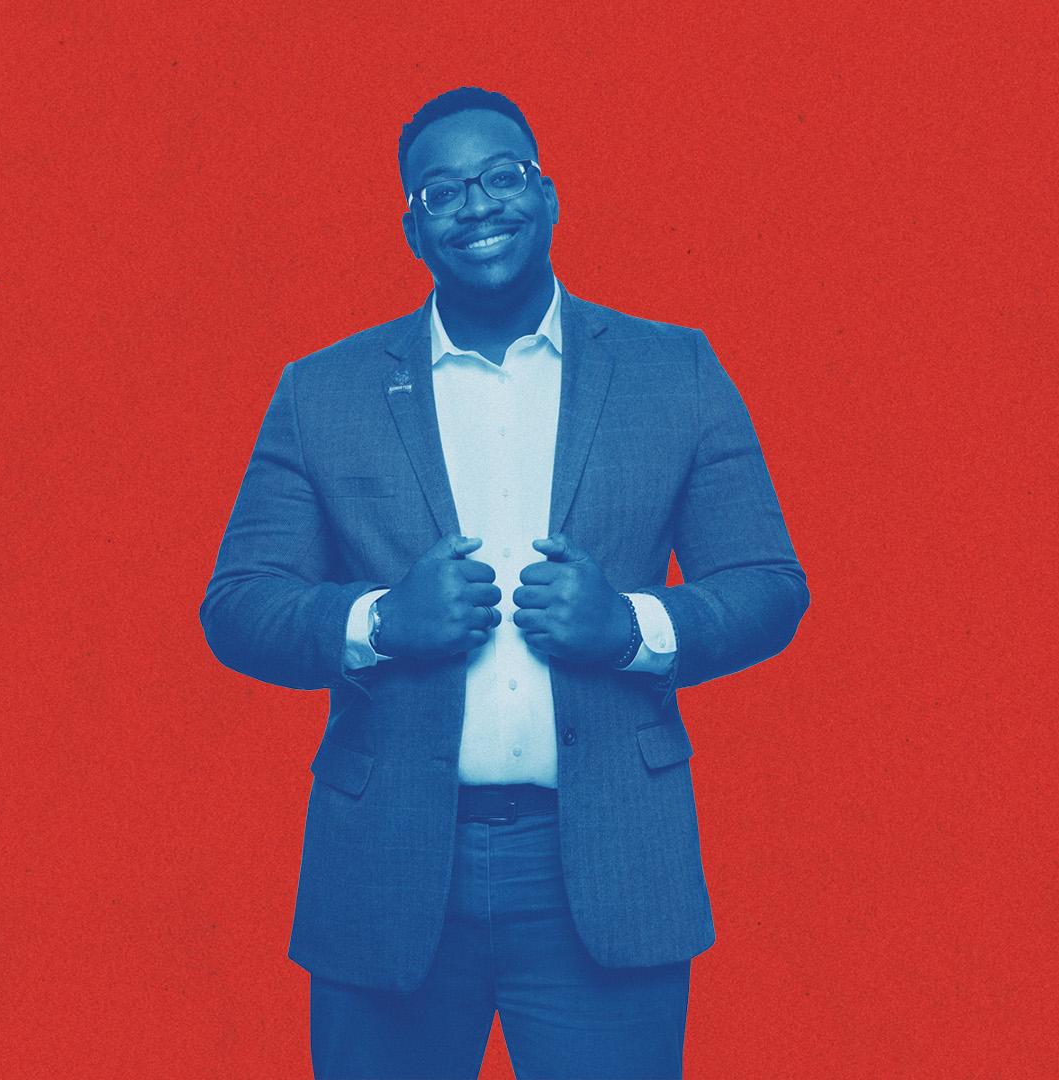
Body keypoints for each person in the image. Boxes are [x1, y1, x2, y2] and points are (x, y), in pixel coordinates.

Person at [199, 86, 808, 1079]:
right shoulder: (323, 389)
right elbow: (238, 606)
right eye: (442, 192)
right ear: (412, 225)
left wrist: (632, 628)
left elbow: (767, 583)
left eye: (500, 177)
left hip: (606, 868)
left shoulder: (674, 369)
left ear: (548, 192)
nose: (476, 204)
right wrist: (380, 622)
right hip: (389, 872)